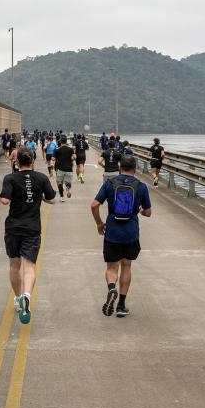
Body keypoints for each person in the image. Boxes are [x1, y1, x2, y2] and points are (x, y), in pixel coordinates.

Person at [0, 147, 57, 324]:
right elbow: (53, 199)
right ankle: (27, 295)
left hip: (13, 228)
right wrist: (38, 196)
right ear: (32, 160)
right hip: (32, 228)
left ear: (17, 162)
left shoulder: (10, 178)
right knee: (30, 267)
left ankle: (18, 299)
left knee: (14, 265)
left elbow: (4, 200)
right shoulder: (41, 178)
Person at [90, 155, 152, 318]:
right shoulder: (141, 186)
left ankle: (112, 288)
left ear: (119, 167)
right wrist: (140, 211)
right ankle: (121, 306)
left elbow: (94, 205)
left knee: (111, 268)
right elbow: (148, 212)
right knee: (126, 266)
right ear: (135, 168)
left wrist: (99, 223)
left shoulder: (110, 184)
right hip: (131, 232)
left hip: (112, 231)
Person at [53, 136, 76, 202]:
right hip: (69, 169)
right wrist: (71, 159)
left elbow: (53, 158)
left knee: (59, 183)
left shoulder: (57, 150)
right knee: (67, 182)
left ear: (60, 142)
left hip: (60, 169)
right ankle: (68, 189)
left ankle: (62, 197)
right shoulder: (70, 149)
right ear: (66, 141)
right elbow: (74, 157)